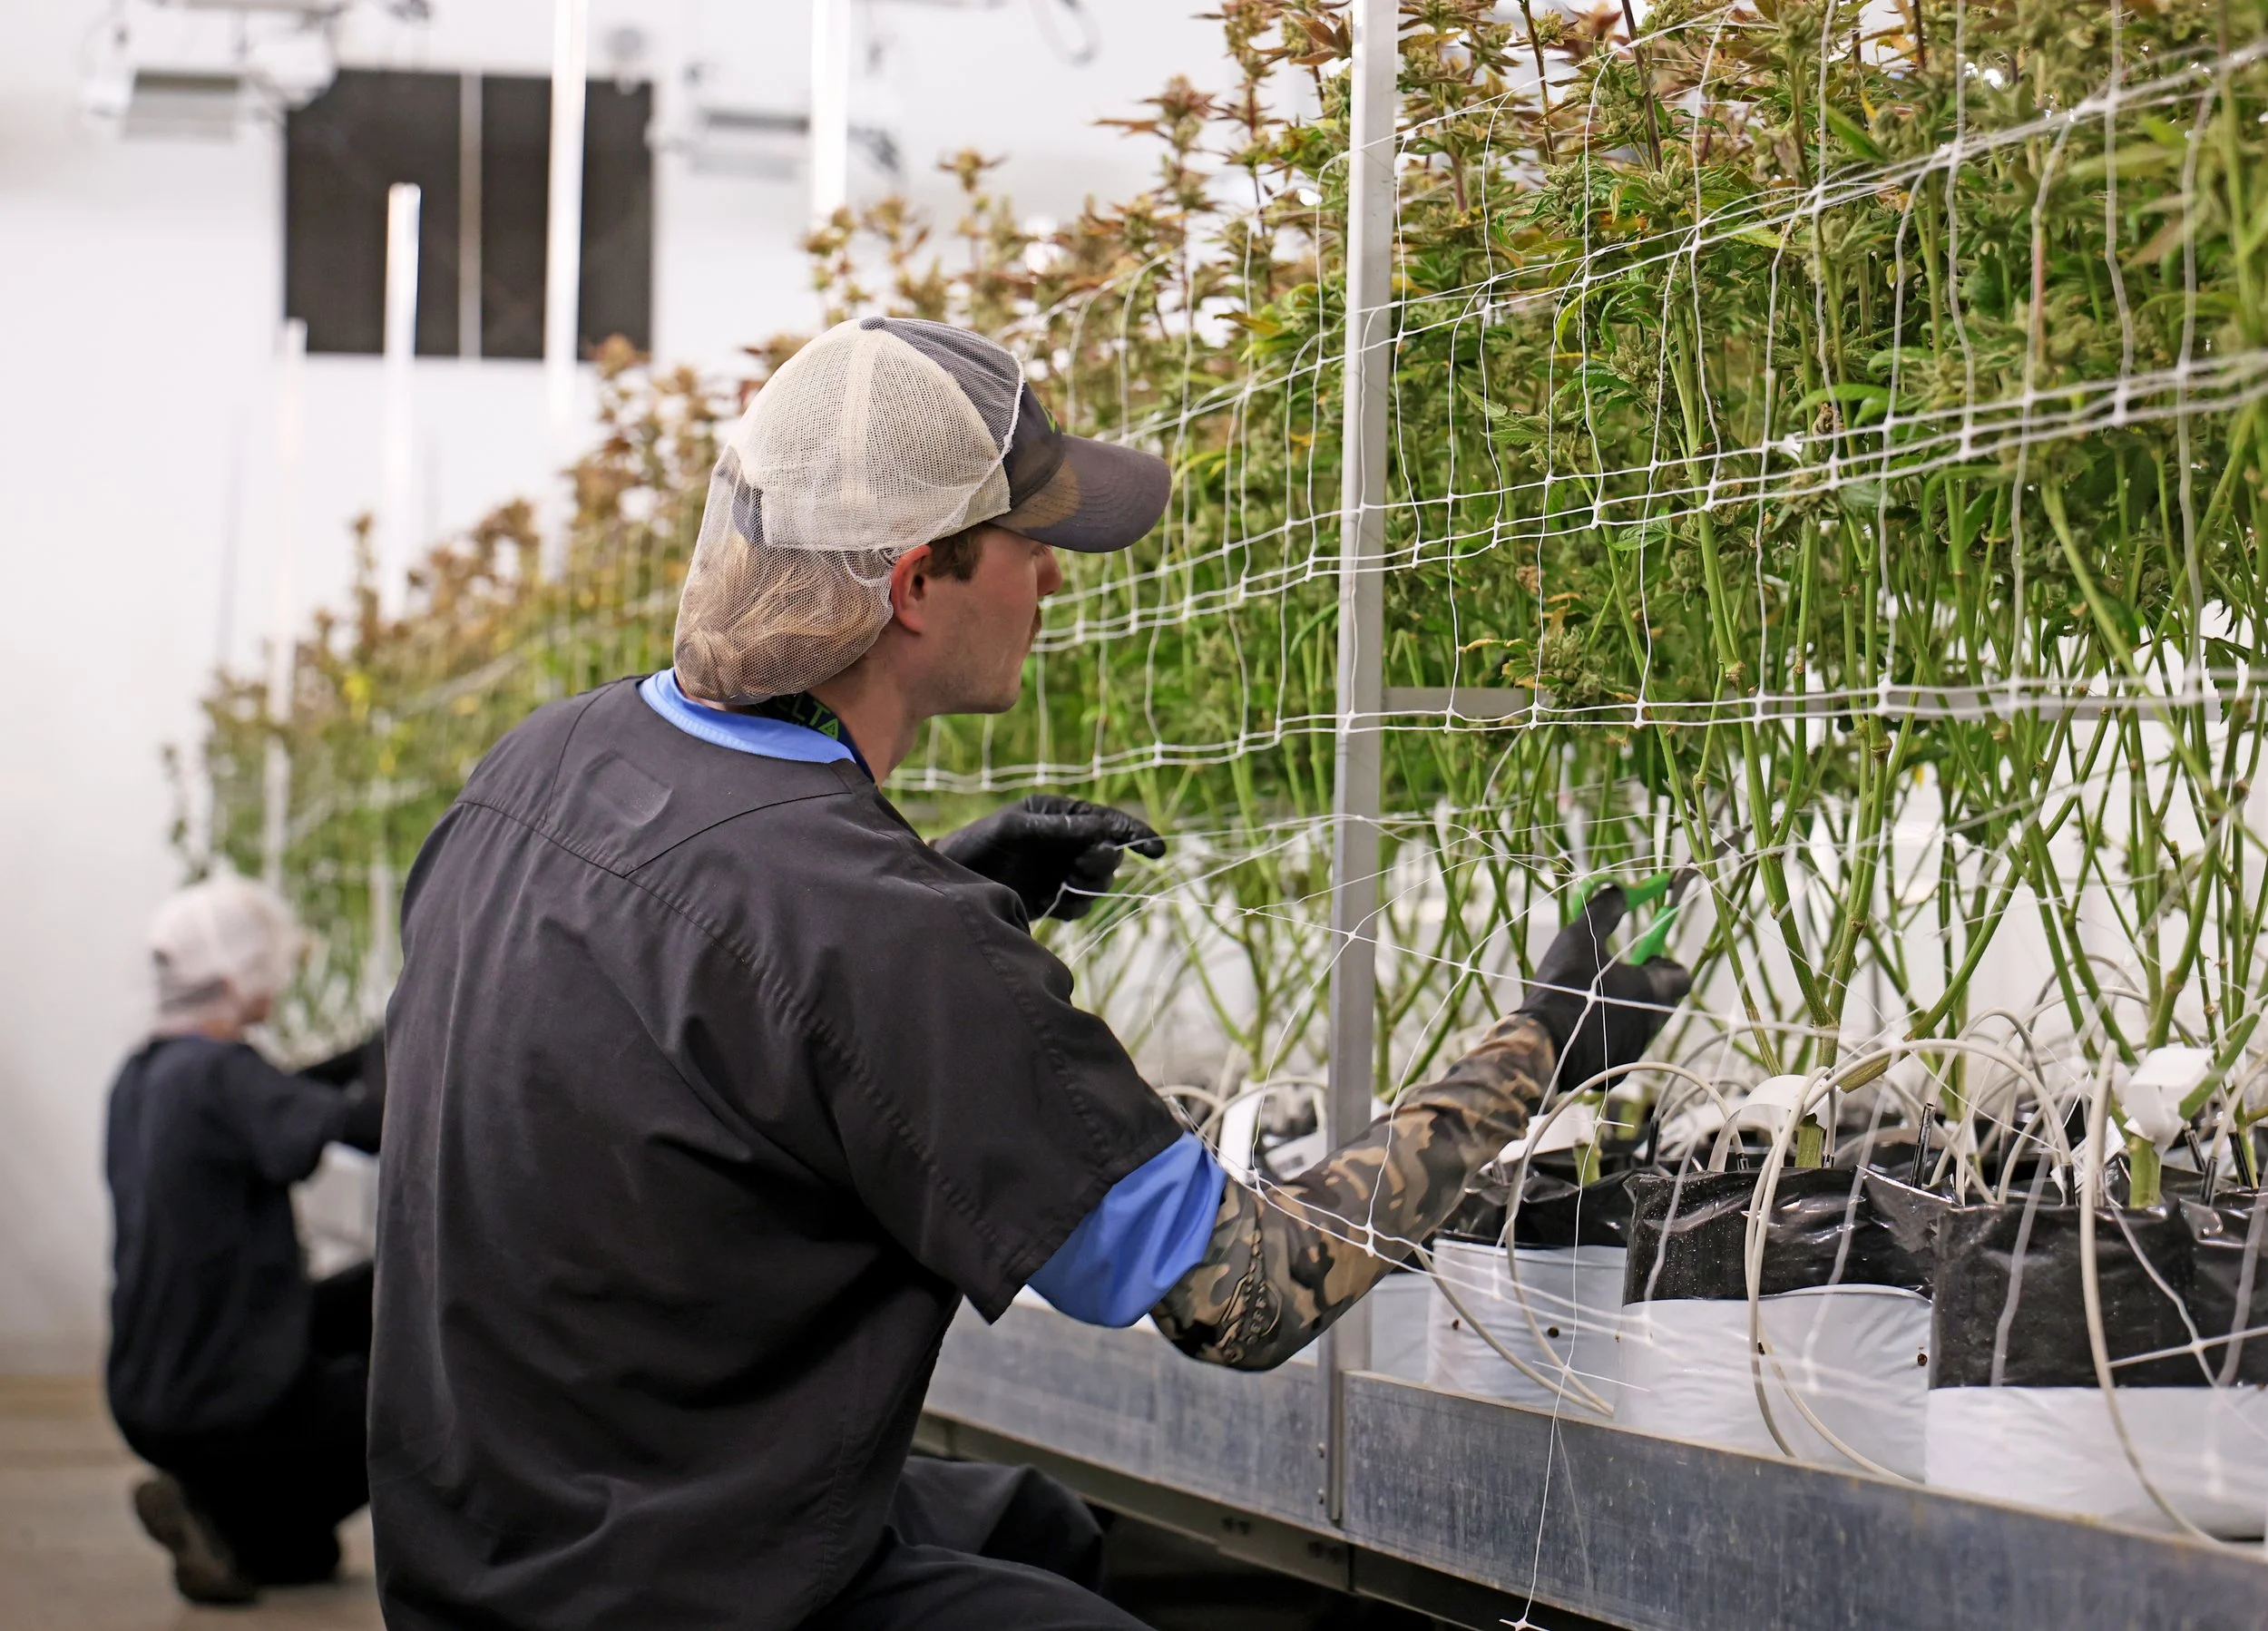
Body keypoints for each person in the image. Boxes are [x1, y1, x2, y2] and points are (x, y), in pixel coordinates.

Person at [373, 316, 1691, 1629]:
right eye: (1031, 543)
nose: (1055, 581)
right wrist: (1540, 1044)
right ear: (912, 585)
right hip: (666, 1592)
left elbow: (713, 986)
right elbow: (1243, 1295)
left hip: (501, 1543)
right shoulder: (882, 937)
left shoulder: (542, 765)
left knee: (1031, 1524)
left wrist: (953, 883)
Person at [104, 871, 386, 1605]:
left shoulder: (148, 1076)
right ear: (240, 971)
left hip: (152, 1386)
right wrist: (422, 1048)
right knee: (417, 1387)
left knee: (302, 1555)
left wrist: (374, 1048)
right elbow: (369, 1125)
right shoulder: (224, 1074)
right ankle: (220, 1509)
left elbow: (293, 1092)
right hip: (231, 1392)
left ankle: (231, 1524)